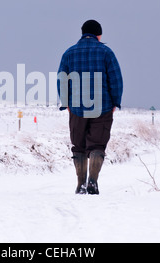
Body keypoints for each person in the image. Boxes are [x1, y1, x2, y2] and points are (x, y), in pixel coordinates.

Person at [57, 20, 123, 194]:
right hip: (103, 107)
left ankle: (81, 184)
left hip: (77, 108)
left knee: (78, 146)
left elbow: (62, 80)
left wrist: (66, 104)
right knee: (97, 145)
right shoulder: (107, 53)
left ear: (82, 33)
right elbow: (115, 79)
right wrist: (115, 102)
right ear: (98, 35)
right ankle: (92, 182)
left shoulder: (69, 54)